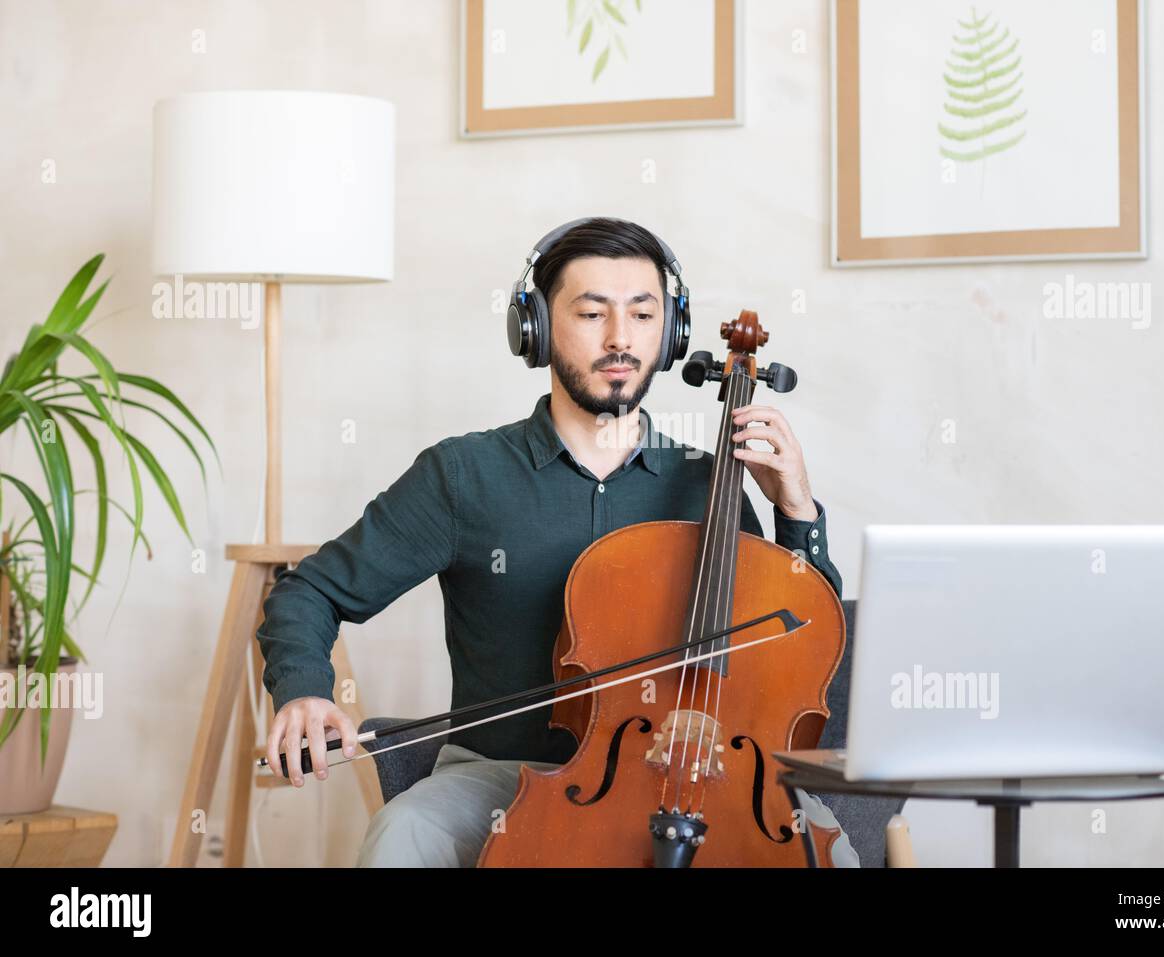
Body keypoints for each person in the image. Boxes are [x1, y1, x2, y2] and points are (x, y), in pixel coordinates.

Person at [255, 217, 857, 867]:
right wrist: (305, 688)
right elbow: (309, 591)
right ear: (537, 328)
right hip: (499, 777)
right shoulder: (463, 476)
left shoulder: (709, 485)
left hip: (694, 777)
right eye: (592, 313)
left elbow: (797, 641)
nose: (621, 338)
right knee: (407, 832)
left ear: (672, 333)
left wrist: (796, 508)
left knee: (824, 849)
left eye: (643, 314)